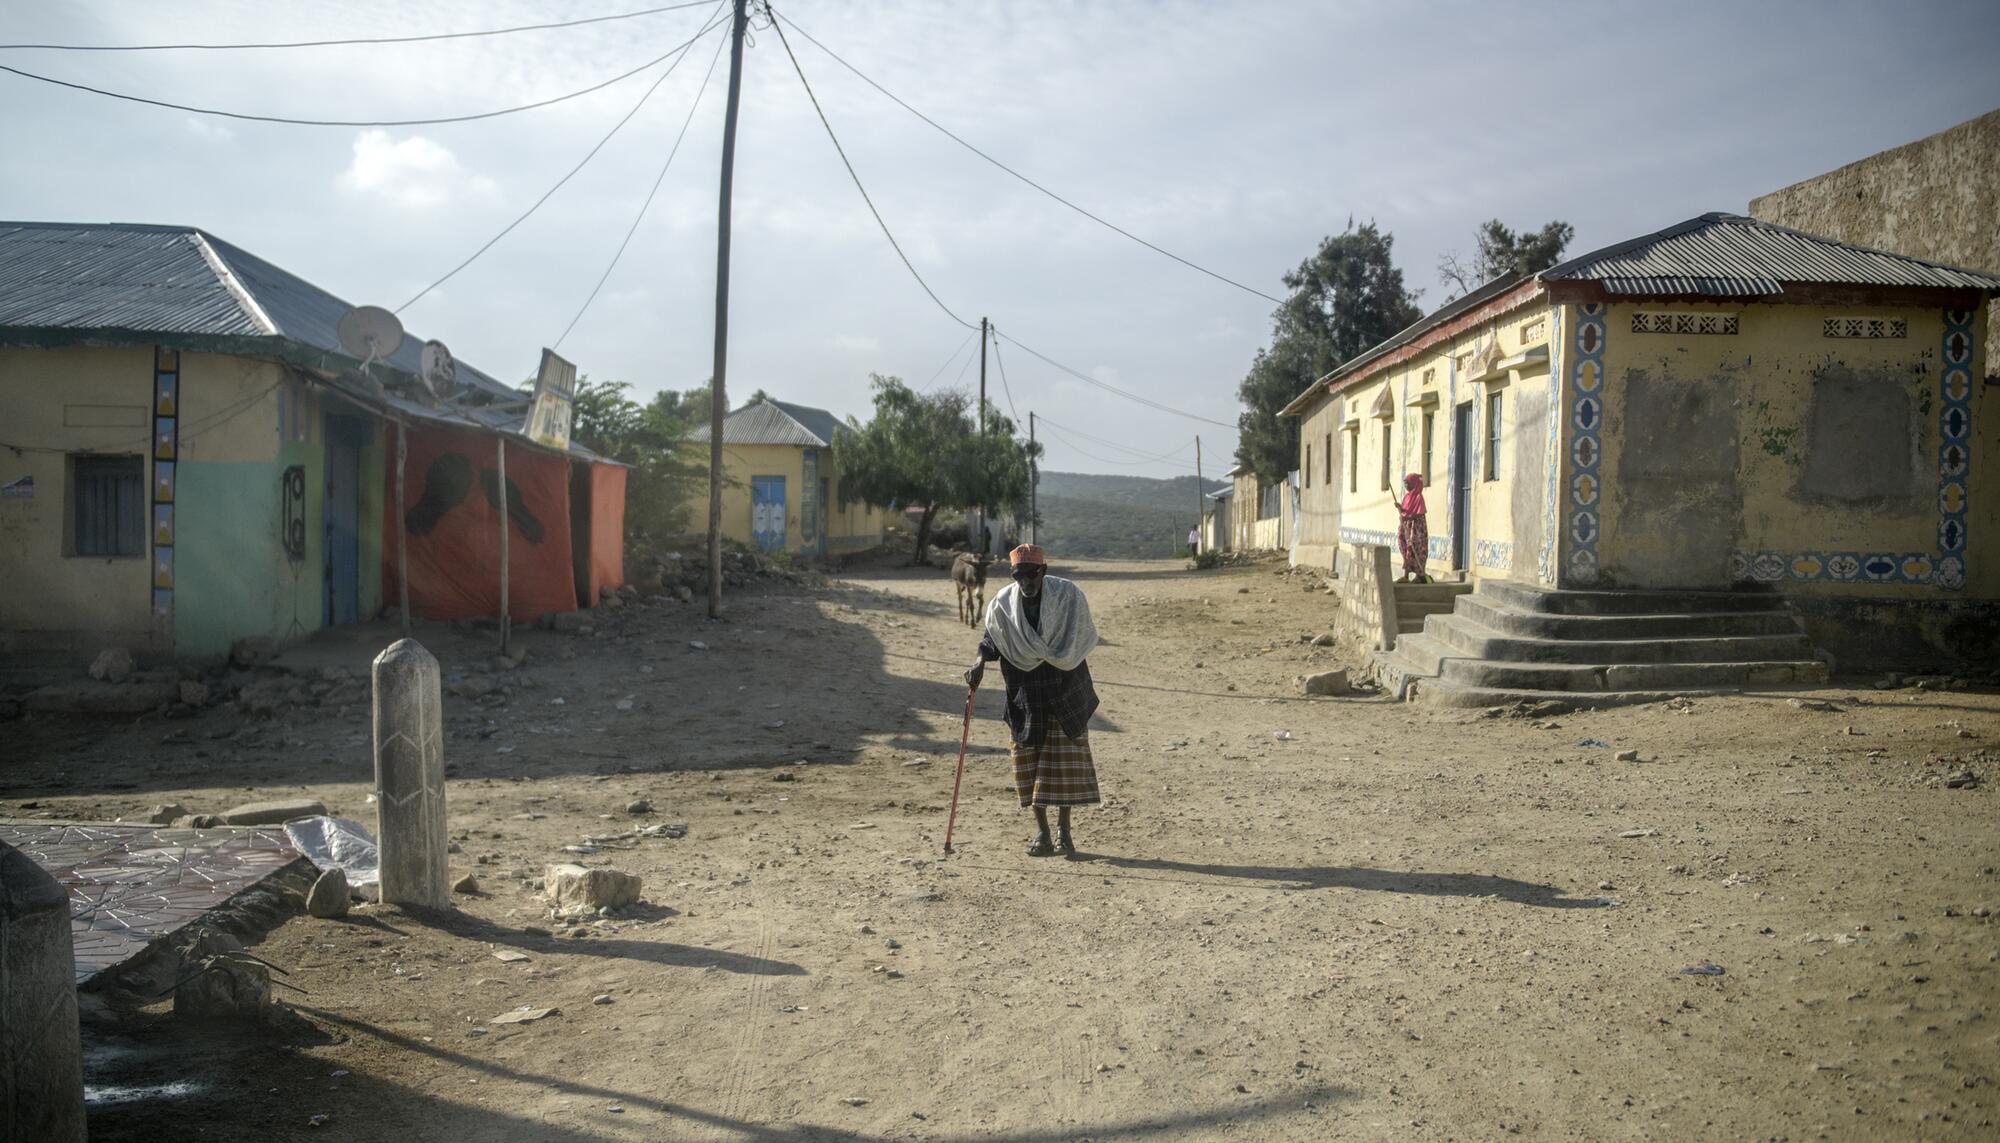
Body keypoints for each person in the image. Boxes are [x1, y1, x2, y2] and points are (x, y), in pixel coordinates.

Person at [964, 544, 1101, 857]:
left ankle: (1065, 831)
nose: (1025, 581)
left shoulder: (1068, 596)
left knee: (1064, 763)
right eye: (1019, 575)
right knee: (1029, 761)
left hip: (1065, 687)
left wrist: (1058, 654)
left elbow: (1082, 633)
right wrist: (979, 662)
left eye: (1031, 574)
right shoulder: (1003, 603)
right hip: (1026, 692)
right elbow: (992, 639)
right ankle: (1043, 833)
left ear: (1044, 570)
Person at [1397, 473, 1429, 583]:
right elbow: (1406, 511)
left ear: (1413, 483)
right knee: (1405, 547)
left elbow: (1419, 514)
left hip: (1416, 529)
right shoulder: (1407, 497)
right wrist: (1400, 508)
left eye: (1407, 483)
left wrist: (1407, 518)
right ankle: (1406, 576)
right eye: (1404, 483)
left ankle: (1419, 576)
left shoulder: (1419, 497)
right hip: (1407, 527)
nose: (1406, 485)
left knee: (1416, 548)